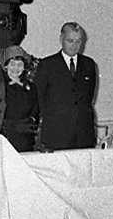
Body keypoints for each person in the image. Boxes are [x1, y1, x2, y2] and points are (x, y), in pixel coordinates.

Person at [34, 22, 97, 150]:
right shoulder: (47, 65)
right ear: (61, 39)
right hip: (56, 135)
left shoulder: (89, 65)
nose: (74, 45)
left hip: (84, 135)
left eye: (78, 41)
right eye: (70, 41)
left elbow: (89, 97)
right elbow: (39, 98)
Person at [1, 53, 39, 151]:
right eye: (12, 64)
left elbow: (35, 110)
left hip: (25, 137)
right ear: (6, 66)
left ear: (24, 67)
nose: (15, 68)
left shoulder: (31, 87)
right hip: (6, 136)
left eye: (19, 65)